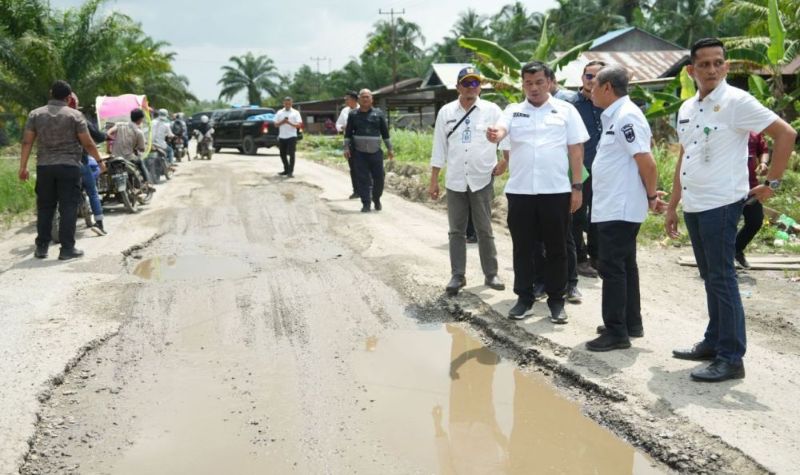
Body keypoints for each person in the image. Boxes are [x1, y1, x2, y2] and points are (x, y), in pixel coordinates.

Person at [665, 38, 797, 382]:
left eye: (718, 63)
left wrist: (774, 183)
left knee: (722, 279)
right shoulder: (688, 108)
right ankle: (713, 342)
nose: (711, 69)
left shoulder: (737, 101)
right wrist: (674, 205)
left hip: (721, 204)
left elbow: (786, 134)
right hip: (695, 204)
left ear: (725, 67)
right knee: (711, 277)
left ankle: (731, 357)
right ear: (691, 70)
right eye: (704, 64)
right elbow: (685, 156)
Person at [487, 61, 589, 323]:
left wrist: (576, 187)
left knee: (557, 248)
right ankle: (524, 298)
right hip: (520, 192)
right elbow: (502, 130)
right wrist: (495, 134)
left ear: (550, 82)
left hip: (555, 191)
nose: (533, 88)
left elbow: (576, 151)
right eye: (528, 83)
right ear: (522, 84)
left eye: (539, 82)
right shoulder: (513, 111)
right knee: (523, 248)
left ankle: (557, 301)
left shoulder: (566, 111)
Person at [582, 64, 658, 352]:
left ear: (607, 88)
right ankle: (630, 322)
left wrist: (652, 196)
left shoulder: (626, 117)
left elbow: (647, 162)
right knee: (625, 265)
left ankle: (616, 332)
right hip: (613, 205)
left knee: (612, 267)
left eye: (594, 85)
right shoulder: (615, 116)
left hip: (620, 206)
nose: (590, 91)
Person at [429, 66, 506, 296]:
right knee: (456, 231)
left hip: (482, 177)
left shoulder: (492, 110)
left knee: (485, 228)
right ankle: (457, 275)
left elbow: (505, 135)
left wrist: (505, 161)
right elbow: (439, 147)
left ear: (480, 86)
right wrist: (434, 179)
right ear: (458, 86)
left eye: (475, 83)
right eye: (466, 83)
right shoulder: (446, 112)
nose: (471, 87)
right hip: (455, 180)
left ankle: (491, 273)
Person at [18, 80, 102, 260]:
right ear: (69, 97)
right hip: (69, 167)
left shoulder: (35, 114)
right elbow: (87, 143)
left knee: (45, 207)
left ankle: (41, 247)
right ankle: (67, 249)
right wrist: (100, 161)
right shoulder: (75, 116)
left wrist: (23, 167)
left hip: (44, 167)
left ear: (50, 93)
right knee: (68, 207)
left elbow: (27, 142)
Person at [569, 60, 606, 279]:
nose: (592, 80)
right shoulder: (572, 106)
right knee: (578, 215)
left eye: (597, 76)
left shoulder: (608, 103)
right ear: (582, 78)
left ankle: (597, 257)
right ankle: (580, 259)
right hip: (581, 170)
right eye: (588, 76)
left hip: (605, 170)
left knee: (599, 215)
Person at [344, 89, 394, 212]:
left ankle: (376, 199)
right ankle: (366, 203)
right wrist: (346, 148)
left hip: (376, 152)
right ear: (359, 99)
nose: (365, 99)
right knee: (362, 178)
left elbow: (385, 133)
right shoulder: (353, 114)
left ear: (372, 99)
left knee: (379, 178)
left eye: (367, 97)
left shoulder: (378, 114)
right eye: (363, 97)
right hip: (359, 153)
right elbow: (348, 133)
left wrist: (390, 149)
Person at [67, 92, 108, 236]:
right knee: (92, 191)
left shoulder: (49, 116)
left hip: (55, 162)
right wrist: (105, 135)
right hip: (79, 161)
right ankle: (99, 223)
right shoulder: (79, 117)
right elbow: (95, 138)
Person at [735, 132, 770, 268]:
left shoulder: (754, 133)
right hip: (728, 187)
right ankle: (720, 258)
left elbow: (764, 150)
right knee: (728, 223)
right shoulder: (724, 128)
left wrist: (763, 163)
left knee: (755, 221)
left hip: (751, 186)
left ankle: (736, 249)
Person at [108, 108, 155, 188]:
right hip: (128, 158)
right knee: (140, 162)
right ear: (140, 119)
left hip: (115, 157)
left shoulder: (120, 124)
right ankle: (148, 183)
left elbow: (109, 132)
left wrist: (110, 138)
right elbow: (142, 149)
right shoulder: (139, 132)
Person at [336, 91, 360, 199]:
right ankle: (356, 191)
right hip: (349, 142)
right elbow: (338, 124)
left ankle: (367, 189)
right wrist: (343, 127)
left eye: (347, 99)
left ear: (354, 99)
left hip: (362, 142)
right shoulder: (344, 111)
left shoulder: (362, 110)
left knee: (364, 167)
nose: (345, 101)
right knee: (353, 167)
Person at [275, 96, 303, 177]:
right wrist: (283, 121)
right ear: (283, 103)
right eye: (286, 103)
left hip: (292, 136)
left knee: (291, 154)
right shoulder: (279, 112)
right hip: (282, 136)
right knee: (282, 154)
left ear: (291, 103)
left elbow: (299, 125)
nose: (287, 105)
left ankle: (290, 172)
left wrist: (289, 123)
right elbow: (276, 125)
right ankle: (286, 169)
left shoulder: (295, 112)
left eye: (289, 103)